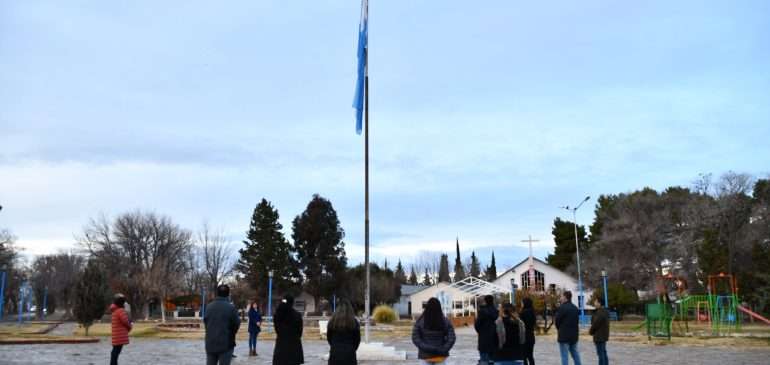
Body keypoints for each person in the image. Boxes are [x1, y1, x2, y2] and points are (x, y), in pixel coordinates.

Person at [412, 297, 456, 365]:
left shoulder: (420, 321)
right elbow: (452, 338)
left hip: (425, 355)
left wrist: (426, 348)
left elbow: (415, 338)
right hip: (440, 355)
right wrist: (444, 348)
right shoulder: (445, 321)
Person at [204, 284, 241, 365]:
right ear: (228, 294)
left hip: (210, 343)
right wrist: (231, 334)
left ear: (217, 293)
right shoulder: (231, 308)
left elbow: (206, 323)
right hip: (226, 344)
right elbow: (237, 324)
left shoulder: (209, 307)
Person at [326, 299, 361, 365]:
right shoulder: (354, 322)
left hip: (335, 353)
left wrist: (335, 345)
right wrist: (352, 348)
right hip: (349, 353)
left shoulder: (332, 322)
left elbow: (329, 338)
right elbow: (357, 340)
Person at [273, 295, 304, 365]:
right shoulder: (297, 315)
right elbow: (300, 332)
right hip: (294, 346)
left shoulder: (277, 315)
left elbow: (277, 330)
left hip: (281, 346)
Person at [555, 291, 581, 365]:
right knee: (575, 354)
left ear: (565, 297)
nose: (560, 298)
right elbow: (576, 321)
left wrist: (559, 329)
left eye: (561, 296)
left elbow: (557, 321)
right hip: (574, 335)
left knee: (564, 356)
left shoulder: (562, 308)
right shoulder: (575, 308)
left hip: (564, 336)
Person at [474, 295, 499, 364]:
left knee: (484, 360)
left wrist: (481, 332)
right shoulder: (496, 312)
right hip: (494, 340)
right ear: (492, 301)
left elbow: (477, 325)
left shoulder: (482, 311)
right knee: (492, 361)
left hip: (483, 340)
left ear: (485, 301)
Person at [110, 294, 132, 365]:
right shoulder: (121, 311)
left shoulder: (114, 310)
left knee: (114, 352)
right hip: (120, 336)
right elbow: (125, 321)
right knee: (115, 353)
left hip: (116, 336)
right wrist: (130, 326)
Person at [589, 298, 609, 365]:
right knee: (603, 352)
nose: (594, 303)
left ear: (599, 303)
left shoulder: (600, 312)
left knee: (601, 354)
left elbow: (595, 323)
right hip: (603, 335)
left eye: (595, 302)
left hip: (599, 336)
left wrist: (591, 331)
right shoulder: (604, 311)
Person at [519, 297, 537, 365]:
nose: (521, 304)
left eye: (522, 302)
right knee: (530, 356)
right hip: (531, 336)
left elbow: (520, 325)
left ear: (525, 303)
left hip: (524, 337)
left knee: (524, 356)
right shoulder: (533, 312)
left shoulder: (522, 313)